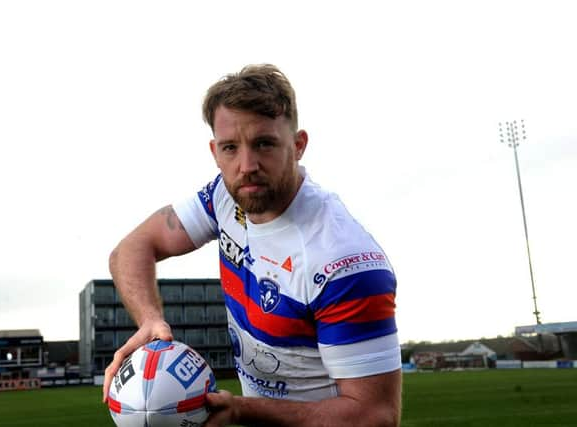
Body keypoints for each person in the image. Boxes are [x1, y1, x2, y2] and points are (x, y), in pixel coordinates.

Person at [103, 64, 402, 427]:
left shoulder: (343, 262)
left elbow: (374, 416)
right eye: (231, 148)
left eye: (264, 144)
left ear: (298, 144)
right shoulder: (225, 199)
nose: (247, 166)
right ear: (215, 151)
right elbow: (132, 248)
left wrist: (244, 409)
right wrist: (150, 319)